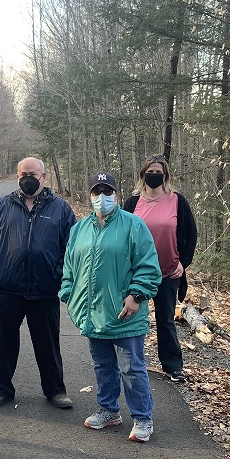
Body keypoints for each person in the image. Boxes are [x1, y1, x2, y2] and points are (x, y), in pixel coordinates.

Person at [60, 171, 161, 442]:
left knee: (131, 367)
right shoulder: (79, 229)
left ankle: (142, 417)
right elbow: (70, 265)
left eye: (107, 192)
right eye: (96, 192)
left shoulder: (133, 225)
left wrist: (136, 296)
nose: (101, 197)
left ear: (115, 195)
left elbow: (149, 266)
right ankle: (108, 410)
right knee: (103, 365)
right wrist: (69, 293)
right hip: (93, 313)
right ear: (90, 195)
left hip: (125, 312)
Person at [0, 156, 76, 408]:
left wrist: (59, 274)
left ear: (43, 176)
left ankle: (55, 390)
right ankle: (1, 388)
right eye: (23, 174)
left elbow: (72, 247)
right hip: (6, 287)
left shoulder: (61, 209)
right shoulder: (1, 206)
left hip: (44, 289)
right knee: (1, 341)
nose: (28, 178)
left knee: (48, 343)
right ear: (17, 176)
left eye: (33, 174)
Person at [123, 155, 198, 383]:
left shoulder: (177, 201)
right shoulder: (132, 203)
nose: (154, 176)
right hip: (137, 274)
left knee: (166, 319)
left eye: (159, 172)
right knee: (133, 318)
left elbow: (191, 235)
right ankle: (130, 363)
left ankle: (173, 366)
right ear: (142, 174)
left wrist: (182, 264)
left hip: (168, 272)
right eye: (150, 171)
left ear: (165, 176)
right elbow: (123, 237)